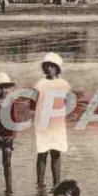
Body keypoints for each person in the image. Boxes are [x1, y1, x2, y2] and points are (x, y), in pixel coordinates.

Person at [32, 53, 71, 188]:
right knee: (42, 153)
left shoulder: (64, 84)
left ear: (57, 68)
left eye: (52, 66)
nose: (49, 68)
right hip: (42, 123)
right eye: (46, 66)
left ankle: (56, 183)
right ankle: (41, 184)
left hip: (57, 123)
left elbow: (66, 103)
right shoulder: (39, 84)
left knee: (56, 153)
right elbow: (32, 104)